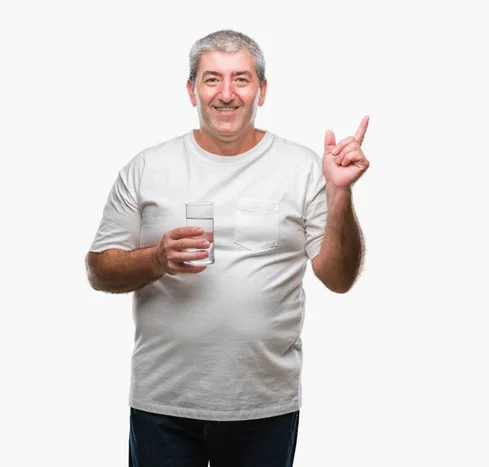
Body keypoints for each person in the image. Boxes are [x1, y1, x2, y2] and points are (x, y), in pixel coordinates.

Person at [86, 29, 370, 467]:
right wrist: (156, 259)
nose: (226, 94)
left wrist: (340, 194)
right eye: (211, 79)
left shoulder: (302, 169)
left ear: (262, 90)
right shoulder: (147, 167)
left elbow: (339, 277)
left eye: (241, 79)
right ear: (191, 89)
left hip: (264, 405)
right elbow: (99, 270)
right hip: (164, 404)